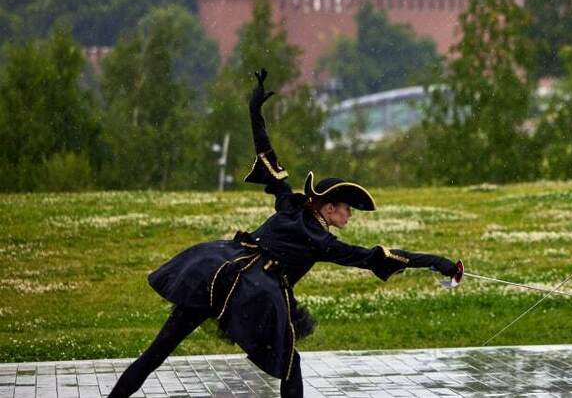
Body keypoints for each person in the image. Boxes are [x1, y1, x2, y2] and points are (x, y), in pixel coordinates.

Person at [109, 69, 459, 398]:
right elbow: (376, 257)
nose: (350, 213)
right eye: (345, 207)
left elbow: (265, 151)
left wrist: (254, 109)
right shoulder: (320, 240)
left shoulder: (289, 202)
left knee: (158, 351)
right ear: (327, 208)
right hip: (254, 289)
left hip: (216, 268)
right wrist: (439, 263)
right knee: (291, 364)